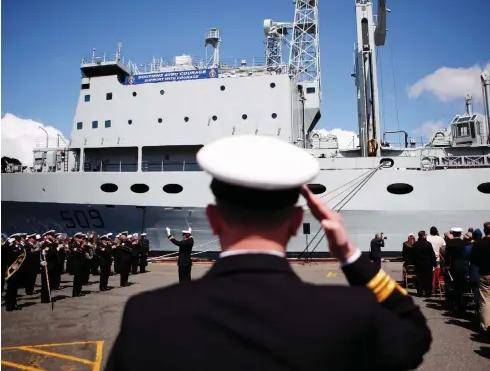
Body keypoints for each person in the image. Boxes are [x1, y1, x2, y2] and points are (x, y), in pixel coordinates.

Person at [105, 134, 432, 371]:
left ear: (213, 219)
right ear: (296, 223)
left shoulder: (148, 315)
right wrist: (348, 252)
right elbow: (415, 334)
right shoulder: (350, 313)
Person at [469, 222, 490, 333]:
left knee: (485, 300)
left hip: (485, 273)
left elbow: (473, 260)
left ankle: (486, 326)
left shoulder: (479, 244)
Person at [412, 230, 437, 297]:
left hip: (418, 263)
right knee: (428, 278)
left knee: (419, 277)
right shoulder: (428, 244)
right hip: (427, 263)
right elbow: (432, 254)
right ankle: (427, 292)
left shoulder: (415, 244)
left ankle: (420, 292)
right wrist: (434, 264)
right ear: (423, 235)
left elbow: (413, 255)